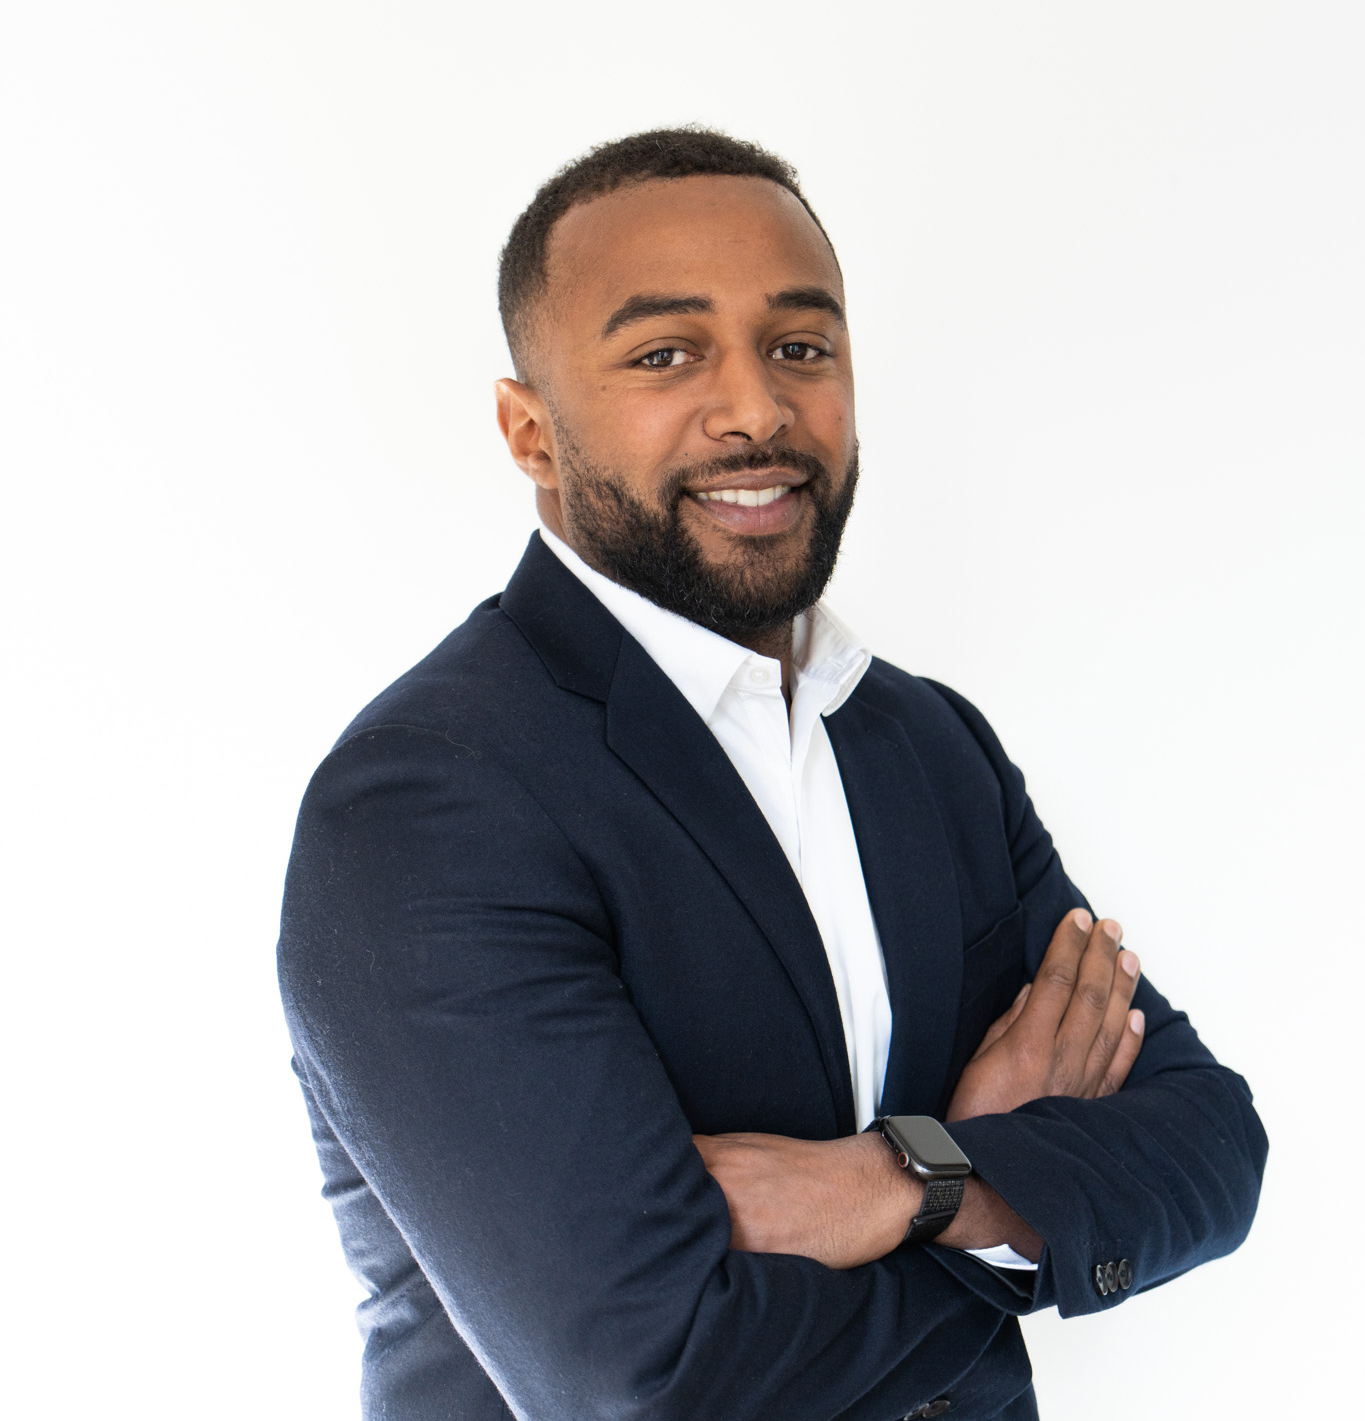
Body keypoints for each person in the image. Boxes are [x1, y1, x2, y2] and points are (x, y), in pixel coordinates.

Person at [277, 129, 1266, 1421]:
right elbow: (652, 1377)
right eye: (665, 354)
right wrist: (1003, 1203)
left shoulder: (928, 745)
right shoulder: (432, 801)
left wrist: (897, 1182)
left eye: (800, 346)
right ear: (530, 430)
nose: (754, 409)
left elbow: (1211, 1147)